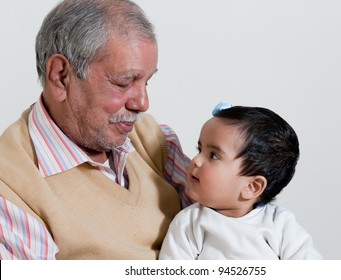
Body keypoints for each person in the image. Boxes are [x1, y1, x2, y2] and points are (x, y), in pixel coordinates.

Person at [0, 0, 192, 260]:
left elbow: (240, 215)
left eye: (147, 81)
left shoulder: (153, 139)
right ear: (60, 76)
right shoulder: (10, 187)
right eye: (124, 82)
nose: (143, 103)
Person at [159, 103, 322, 260]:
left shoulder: (280, 224)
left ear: (252, 186)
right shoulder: (189, 223)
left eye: (213, 155)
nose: (196, 160)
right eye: (200, 150)